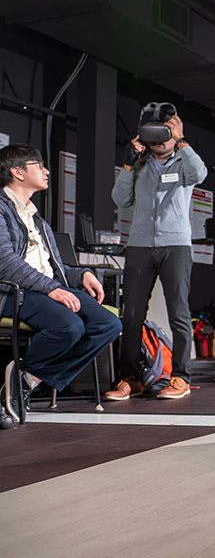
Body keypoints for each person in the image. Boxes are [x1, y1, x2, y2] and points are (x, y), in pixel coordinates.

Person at [0, 143, 122, 420]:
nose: (46, 171)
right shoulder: (1, 209)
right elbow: (5, 262)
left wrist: (81, 274)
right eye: (38, 166)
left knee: (109, 324)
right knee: (69, 326)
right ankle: (23, 383)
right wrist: (52, 288)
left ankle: (27, 378)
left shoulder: (37, 219)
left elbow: (54, 267)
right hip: (15, 292)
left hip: (45, 288)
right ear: (17, 172)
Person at [104, 107, 207, 401]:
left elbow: (200, 174)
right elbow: (121, 200)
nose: (158, 140)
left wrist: (181, 140)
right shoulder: (139, 165)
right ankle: (130, 378)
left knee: (179, 312)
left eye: (164, 132)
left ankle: (181, 377)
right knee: (132, 314)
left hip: (176, 244)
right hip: (139, 245)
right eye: (154, 133)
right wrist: (126, 165)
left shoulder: (183, 162)